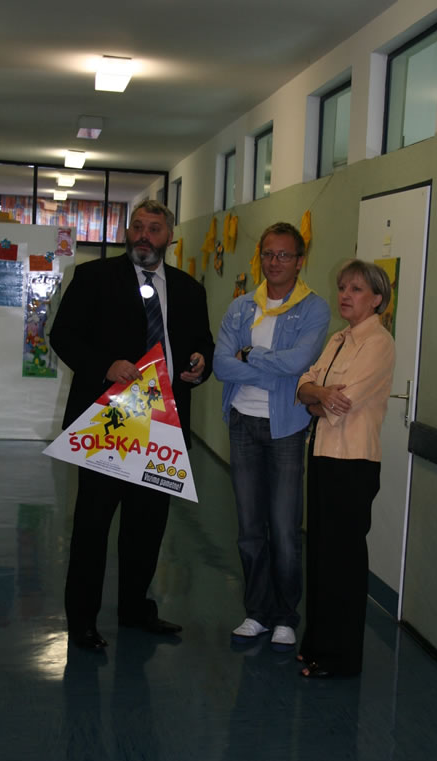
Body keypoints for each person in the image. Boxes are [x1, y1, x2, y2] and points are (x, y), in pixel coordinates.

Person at [50, 199, 214, 651]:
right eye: (138, 226)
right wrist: (105, 365)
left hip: (162, 424)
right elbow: (62, 336)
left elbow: (203, 344)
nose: (144, 235)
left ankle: (135, 609)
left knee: (147, 527)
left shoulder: (188, 289)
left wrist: (201, 364)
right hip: (109, 419)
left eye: (154, 228)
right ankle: (82, 621)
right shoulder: (93, 278)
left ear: (169, 237)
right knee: (93, 526)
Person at [213, 223, 330, 650]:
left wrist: (249, 356)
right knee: (249, 528)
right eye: (267, 254)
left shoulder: (314, 309)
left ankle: (285, 615)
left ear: (299, 261)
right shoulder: (242, 307)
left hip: (286, 429)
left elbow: (299, 362)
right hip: (242, 423)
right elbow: (221, 365)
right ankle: (257, 612)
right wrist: (272, 371)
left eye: (283, 255)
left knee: (283, 528)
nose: (274, 262)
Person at [296, 259, 395, 678]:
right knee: (320, 553)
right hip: (322, 454)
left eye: (356, 289)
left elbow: (343, 402)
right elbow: (305, 386)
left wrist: (317, 398)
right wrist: (317, 394)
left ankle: (340, 657)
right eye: (342, 288)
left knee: (344, 561)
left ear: (377, 299)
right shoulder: (339, 339)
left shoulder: (378, 343)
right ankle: (316, 644)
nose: (345, 295)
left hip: (353, 462)